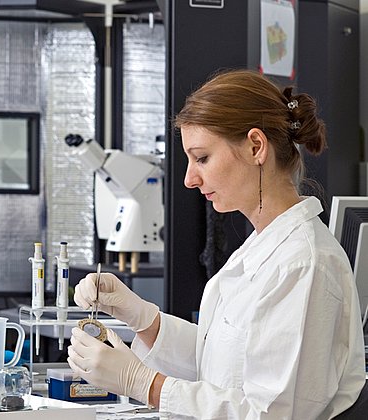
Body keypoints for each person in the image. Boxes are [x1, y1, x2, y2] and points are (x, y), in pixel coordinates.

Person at [67, 70, 366, 418]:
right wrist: (142, 317)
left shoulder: (304, 265)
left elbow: (270, 414)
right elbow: (224, 363)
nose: (189, 179)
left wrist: (143, 383)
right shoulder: (263, 248)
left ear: (256, 147)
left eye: (202, 158)